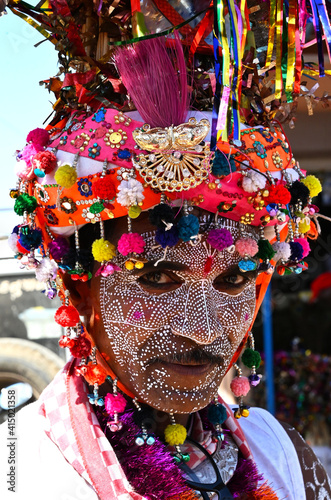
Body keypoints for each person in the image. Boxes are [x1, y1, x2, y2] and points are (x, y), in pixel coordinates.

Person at [1, 0, 331, 499]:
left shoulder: (279, 453)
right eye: (156, 277)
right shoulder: (23, 468)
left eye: (233, 280)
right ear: (79, 289)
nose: (201, 326)